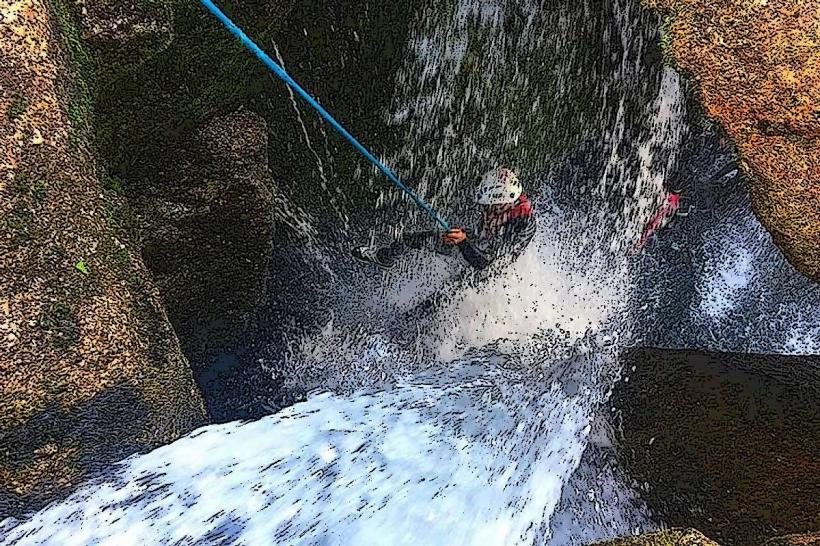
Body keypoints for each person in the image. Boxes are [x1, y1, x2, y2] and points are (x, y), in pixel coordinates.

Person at [352, 168, 536, 271]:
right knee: (414, 238)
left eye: (488, 206)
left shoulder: (520, 224)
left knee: (442, 298)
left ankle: (406, 330)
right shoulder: (502, 202)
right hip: (481, 244)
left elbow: (486, 264)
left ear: (502, 202)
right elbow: (481, 236)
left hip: (494, 269)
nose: (484, 209)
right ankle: (384, 258)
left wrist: (463, 242)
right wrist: (462, 238)